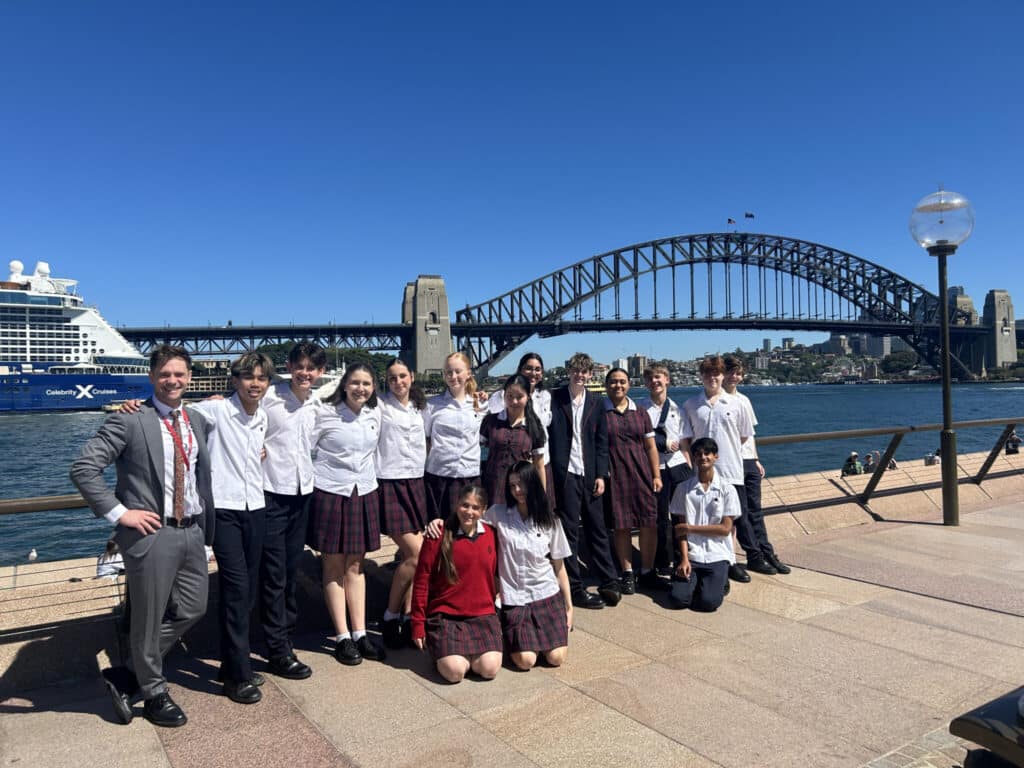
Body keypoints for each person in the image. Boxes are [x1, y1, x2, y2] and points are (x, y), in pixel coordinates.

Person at [71, 344, 215, 728]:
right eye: (165, 374)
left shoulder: (198, 420)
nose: (172, 381)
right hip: (151, 533)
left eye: (180, 374)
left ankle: (127, 674)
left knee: (193, 608)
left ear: (189, 378)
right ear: (152, 377)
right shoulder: (130, 420)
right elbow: (84, 468)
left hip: (192, 530)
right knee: (148, 620)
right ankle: (153, 693)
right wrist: (121, 513)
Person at [188, 352, 273, 704]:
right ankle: (237, 678)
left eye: (262, 378)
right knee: (237, 588)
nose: (255, 383)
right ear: (235, 380)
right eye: (248, 377)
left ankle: (231, 663)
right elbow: (174, 409)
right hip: (223, 509)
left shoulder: (263, 416)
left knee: (247, 590)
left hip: (255, 507)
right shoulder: (217, 410)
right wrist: (136, 404)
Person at [307, 363, 386, 666]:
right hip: (331, 491)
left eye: (367, 383)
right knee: (333, 565)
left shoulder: (373, 413)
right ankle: (342, 636)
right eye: (355, 382)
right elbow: (305, 447)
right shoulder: (324, 412)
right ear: (344, 384)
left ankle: (360, 633)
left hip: (363, 492)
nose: (361, 389)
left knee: (356, 565)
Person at [258, 341, 325, 681]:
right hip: (272, 494)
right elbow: (230, 416)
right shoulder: (268, 397)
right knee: (273, 574)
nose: (305, 373)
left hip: (303, 495)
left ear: (320, 372)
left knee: (290, 568)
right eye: (299, 366)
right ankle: (278, 649)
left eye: (311, 368)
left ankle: (285, 636)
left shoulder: (319, 403)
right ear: (289, 366)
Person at [547, 353, 620, 609]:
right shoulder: (554, 398)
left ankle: (609, 580)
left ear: (590, 375)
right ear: (569, 371)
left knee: (597, 528)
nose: (580, 375)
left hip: (589, 474)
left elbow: (602, 442)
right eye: (576, 370)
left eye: (584, 372)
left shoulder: (597, 402)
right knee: (569, 533)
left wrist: (601, 474)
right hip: (564, 474)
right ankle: (575, 587)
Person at [410, 485, 502, 683]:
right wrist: (418, 623)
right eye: (464, 505)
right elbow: (421, 579)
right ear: (456, 504)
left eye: (475, 507)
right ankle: (443, 654)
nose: (469, 512)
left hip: (483, 615)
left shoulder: (492, 534)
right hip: (446, 616)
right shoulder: (438, 533)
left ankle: (462, 655)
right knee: (455, 672)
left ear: (484, 510)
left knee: (489, 669)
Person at [487, 461, 572, 670]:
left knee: (556, 658)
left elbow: (560, 568)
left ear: (532, 483)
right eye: (512, 486)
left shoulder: (550, 521)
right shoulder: (498, 514)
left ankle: (539, 639)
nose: (517, 490)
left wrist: (569, 607)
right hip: (516, 598)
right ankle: (512, 637)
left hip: (546, 594)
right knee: (526, 661)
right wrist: (441, 522)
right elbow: (468, 523)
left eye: (521, 484)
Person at [679, 356, 753, 583]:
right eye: (708, 374)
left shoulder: (738, 403)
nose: (712, 378)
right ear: (701, 377)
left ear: (723, 376)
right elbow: (685, 438)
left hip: (729, 469)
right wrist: (690, 460)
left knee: (729, 520)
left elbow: (742, 436)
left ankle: (728, 562)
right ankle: (702, 561)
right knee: (701, 515)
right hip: (700, 472)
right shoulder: (691, 404)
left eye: (717, 374)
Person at [375, 358, 428, 649]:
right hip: (391, 484)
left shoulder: (422, 408)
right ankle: (390, 614)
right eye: (393, 378)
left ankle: (409, 617)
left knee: (418, 556)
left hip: (417, 483)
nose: (398, 382)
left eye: (403, 376)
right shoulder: (379, 406)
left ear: (412, 376)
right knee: (416, 554)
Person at [722, 355, 789, 576]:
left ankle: (767, 552)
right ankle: (754, 555)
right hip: (731, 463)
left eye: (739, 373)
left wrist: (757, 459)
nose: (735, 377)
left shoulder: (744, 400)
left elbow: (750, 436)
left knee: (756, 511)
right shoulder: (718, 400)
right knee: (739, 513)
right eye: (731, 372)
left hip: (748, 460)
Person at [603, 367, 665, 594]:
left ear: (629, 384)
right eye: (613, 382)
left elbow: (650, 446)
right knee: (622, 525)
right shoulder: (599, 412)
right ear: (606, 385)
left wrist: (656, 475)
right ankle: (627, 572)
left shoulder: (640, 412)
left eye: (622, 382)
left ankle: (647, 571)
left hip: (642, 474)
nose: (618, 386)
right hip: (615, 474)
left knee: (649, 522)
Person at [667, 437, 741, 612]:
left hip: (717, 554)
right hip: (692, 554)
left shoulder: (728, 490)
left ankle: (717, 581)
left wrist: (691, 528)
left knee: (709, 603)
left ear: (716, 456)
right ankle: (697, 581)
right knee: (678, 600)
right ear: (693, 458)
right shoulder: (683, 489)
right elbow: (680, 530)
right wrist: (684, 559)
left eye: (707, 453)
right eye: (698, 454)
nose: (703, 457)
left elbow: (725, 529)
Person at [636, 364, 692, 576]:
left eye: (658, 377)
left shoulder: (678, 409)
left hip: (677, 466)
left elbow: (685, 442)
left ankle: (683, 557)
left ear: (667, 380)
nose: (654, 381)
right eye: (650, 378)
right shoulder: (640, 409)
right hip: (654, 468)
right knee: (658, 517)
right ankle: (662, 560)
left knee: (681, 515)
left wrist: (688, 466)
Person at [423, 352, 487, 521]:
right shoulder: (431, 405)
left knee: (469, 527)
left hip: (469, 475)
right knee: (441, 530)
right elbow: (426, 439)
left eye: (458, 371)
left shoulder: (480, 405)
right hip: (439, 476)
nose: (453, 376)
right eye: (448, 372)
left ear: (468, 373)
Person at [488, 352, 555, 507]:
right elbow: (492, 427)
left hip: (540, 463)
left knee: (535, 514)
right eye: (529, 368)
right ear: (519, 369)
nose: (533, 373)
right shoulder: (501, 396)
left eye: (538, 369)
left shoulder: (545, 396)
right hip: (511, 465)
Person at [480, 374, 546, 505]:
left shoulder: (534, 425)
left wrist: (541, 496)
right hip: (492, 487)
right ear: (504, 396)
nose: (514, 401)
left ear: (528, 397)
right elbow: (481, 456)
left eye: (519, 397)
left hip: (521, 490)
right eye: (509, 396)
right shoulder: (490, 421)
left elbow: (539, 464)